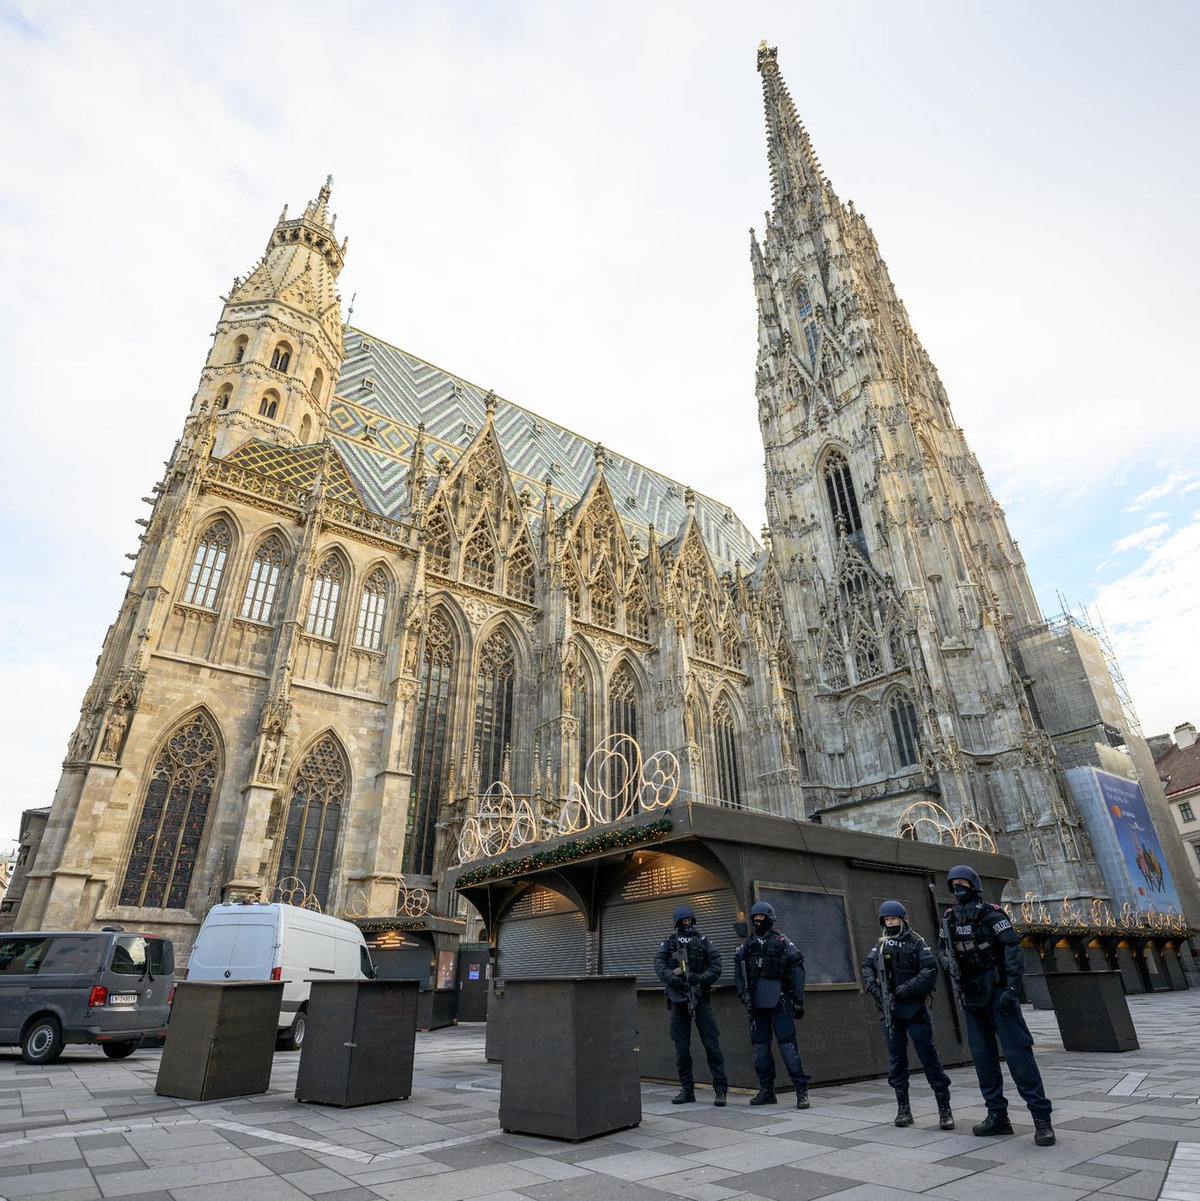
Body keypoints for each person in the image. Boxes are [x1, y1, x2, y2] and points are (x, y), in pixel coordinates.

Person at [937, 865, 1055, 1146]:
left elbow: (1012, 949)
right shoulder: (950, 919)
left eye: (962, 882)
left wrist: (1013, 987)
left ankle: (1041, 1119)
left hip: (999, 993)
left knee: (1018, 1057)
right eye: (953, 884)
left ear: (973, 884)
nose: (957, 888)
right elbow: (942, 949)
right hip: (972, 995)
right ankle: (997, 1116)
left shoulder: (991, 913)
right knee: (983, 1059)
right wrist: (948, 964)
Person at [861, 900, 954, 1130]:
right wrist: (873, 988)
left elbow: (930, 969)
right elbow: (867, 967)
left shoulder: (916, 942)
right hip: (891, 1012)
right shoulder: (881, 945)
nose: (890, 923)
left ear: (902, 919)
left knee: (929, 1057)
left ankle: (944, 1109)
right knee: (896, 1061)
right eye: (887, 920)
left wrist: (910, 988)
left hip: (914, 1009)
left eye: (893, 919)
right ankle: (904, 1109)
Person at [734, 900, 810, 1108]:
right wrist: (743, 995)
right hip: (756, 1004)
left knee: (788, 1048)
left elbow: (798, 968)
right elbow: (739, 974)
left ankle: (801, 1091)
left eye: (762, 918)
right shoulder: (747, 945)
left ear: (770, 919)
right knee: (760, 1050)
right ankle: (767, 1091)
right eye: (755, 918)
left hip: (780, 1000)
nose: (758, 921)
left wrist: (799, 1000)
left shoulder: (782, 941)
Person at [653, 903, 728, 1106]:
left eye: (689, 921)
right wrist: (673, 979)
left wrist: (700, 978)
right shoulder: (669, 943)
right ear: (677, 922)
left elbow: (716, 965)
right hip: (678, 999)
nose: (687, 924)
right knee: (682, 1047)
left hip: (699, 997)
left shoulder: (703, 941)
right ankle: (687, 1090)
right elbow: (659, 965)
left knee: (711, 1044)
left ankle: (720, 1090)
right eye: (683, 921)